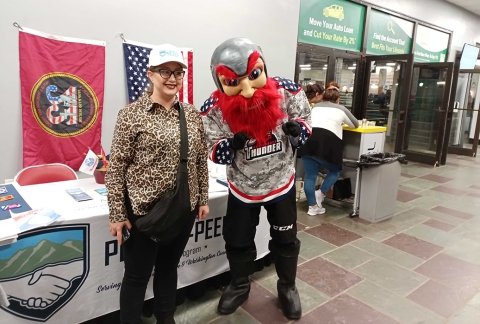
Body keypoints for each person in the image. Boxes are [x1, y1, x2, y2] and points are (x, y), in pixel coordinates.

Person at [200, 37, 311, 320]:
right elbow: (211, 148)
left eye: (253, 75)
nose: (248, 91)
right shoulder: (212, 108)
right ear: (219, 80)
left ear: (263, 67)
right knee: (237, 241)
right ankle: (239, 285)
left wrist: (299, 132)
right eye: (234, 82)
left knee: (286, 240)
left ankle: (287, 287)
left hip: (281, 182)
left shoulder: (288, 90)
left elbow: (306, 119)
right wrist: (230, 145)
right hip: (242, 187)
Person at [105, 43, 209, 324]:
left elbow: (200, 160)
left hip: (182, 209)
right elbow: (116, 169)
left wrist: (202, 199)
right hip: (143, 214)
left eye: (178, 71)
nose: (172, 78)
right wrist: (117, 213)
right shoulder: (131, 115)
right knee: (137, 277)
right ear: (150, 74)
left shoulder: (191, 114)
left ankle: (166, 319)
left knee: (168, 269)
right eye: (165, 71)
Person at [298, 82, 359, 216]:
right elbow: (355, 124)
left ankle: (312, 207)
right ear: (337, 99)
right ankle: (321, 193)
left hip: (309, 142)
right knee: (335, 171)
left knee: (310, 176)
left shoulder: (314, 107)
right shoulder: (341, 109)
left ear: (323, 97)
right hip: (329, 145)